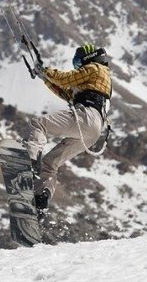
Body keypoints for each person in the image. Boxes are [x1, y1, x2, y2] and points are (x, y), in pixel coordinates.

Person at [23, 44, 113, 213]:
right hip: (94, 131)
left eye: (79, 63)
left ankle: (29, 162)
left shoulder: (95, 68)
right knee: (50, 164)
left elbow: (65, 79)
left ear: (89, 57)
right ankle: (41, 200)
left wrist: (46, 70)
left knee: (38, 124)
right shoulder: (97, 81)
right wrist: (44, 77)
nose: (78, 67)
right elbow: (65, 92)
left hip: (86, 116)